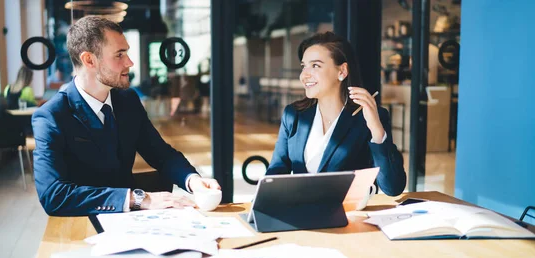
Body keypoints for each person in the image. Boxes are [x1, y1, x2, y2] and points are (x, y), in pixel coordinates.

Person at [32, 16, 220, 216]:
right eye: (119, 55)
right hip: (82, 225)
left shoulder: (127, 100)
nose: (129, 62)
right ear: (89, 60)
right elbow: (53, 195)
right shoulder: (51, 116)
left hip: (134, 222)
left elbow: (161, 154)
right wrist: (139, 199)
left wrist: (192, 180)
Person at [266, 31, 406, 196]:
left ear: (342, 71)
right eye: (304, 66)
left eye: (315, 65)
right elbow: (276, 172)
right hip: (301, 215)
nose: (304, 75)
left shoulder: (369, 118)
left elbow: (393, 187)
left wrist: (376, 129)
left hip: (349, 217)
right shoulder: (294, 115)